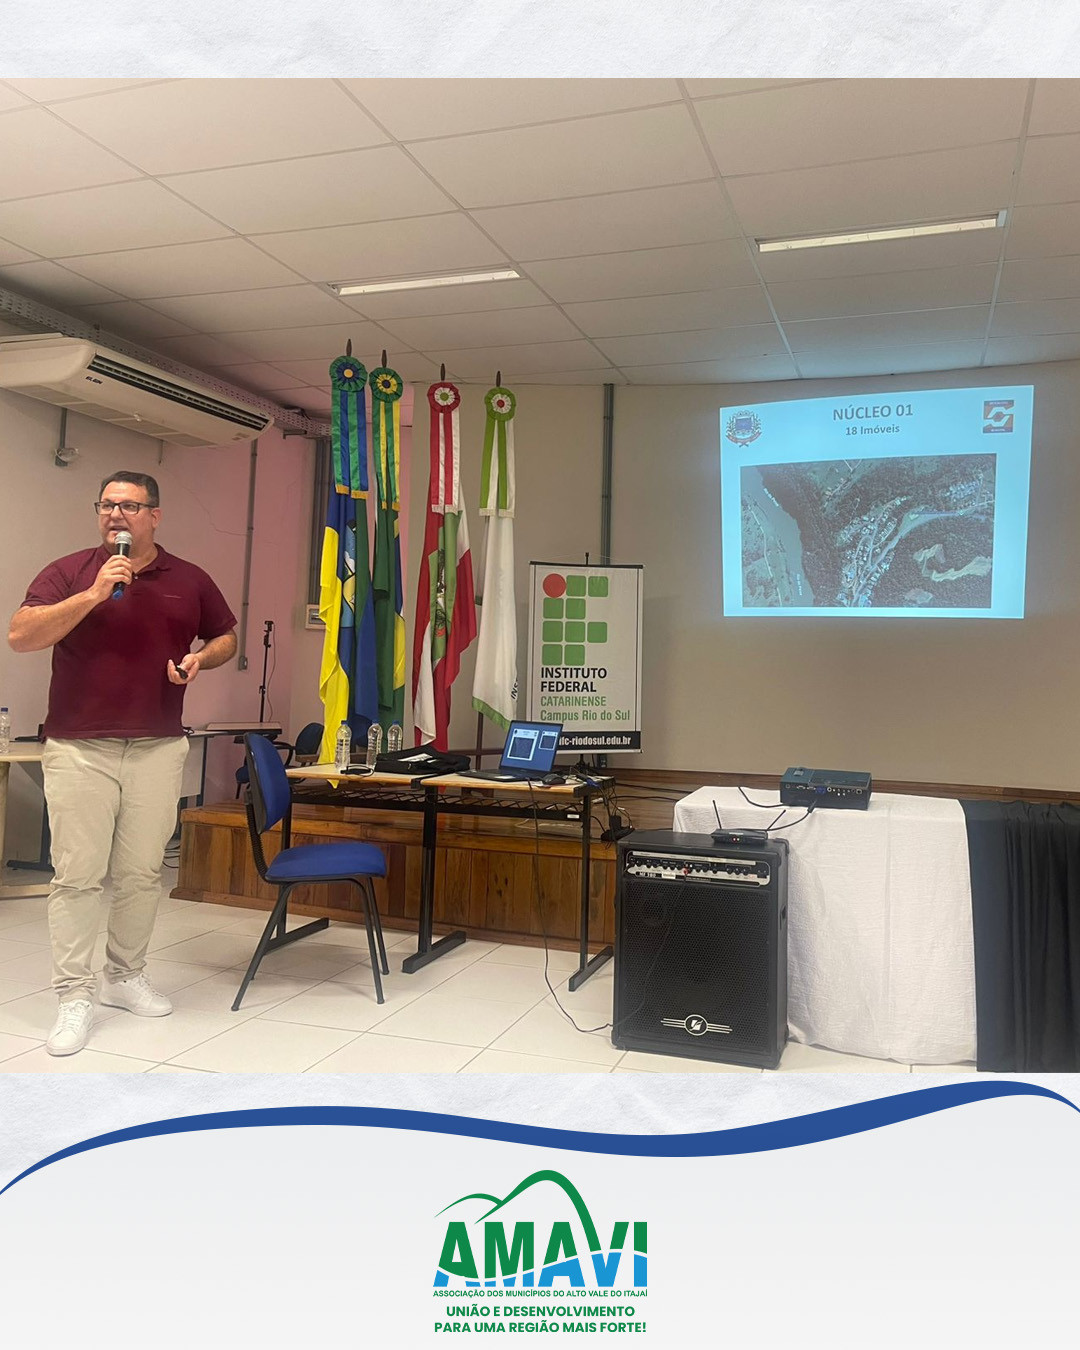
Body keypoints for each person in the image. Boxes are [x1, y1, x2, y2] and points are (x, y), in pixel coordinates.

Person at [7, 471, 237, 1056]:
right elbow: (21, 636)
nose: (116, 515)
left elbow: (226, 638)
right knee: (77, 876)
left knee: (140, 873)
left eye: (130, 506)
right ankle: (74, 995)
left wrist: (200, 660)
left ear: (154, 516)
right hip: (79, 747)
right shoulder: (69, 572)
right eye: (107, 505)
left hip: (157, 746)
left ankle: (124, 975)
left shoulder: (189, 578)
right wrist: (92, 594)